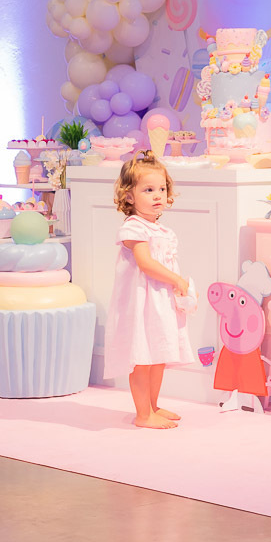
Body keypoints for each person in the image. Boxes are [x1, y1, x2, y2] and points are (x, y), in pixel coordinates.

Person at [105, 151, 192, 429]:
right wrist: (176, 280)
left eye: (162, 189)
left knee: (158, 356)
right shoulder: (134, 227)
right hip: (141, 304)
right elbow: (145, 263)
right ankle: (143, 414)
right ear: (129, 196)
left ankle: (152, 406)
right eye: (148, 190)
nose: (158, 195)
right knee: (143, 358)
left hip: (159, 301)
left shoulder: (161, 229)